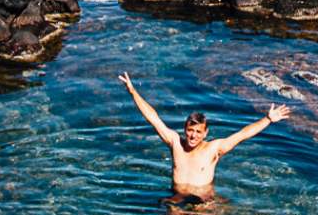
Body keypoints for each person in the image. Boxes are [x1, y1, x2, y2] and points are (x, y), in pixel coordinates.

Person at [118, 72, 291, 197]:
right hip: (175, 198)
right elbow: (153, 118)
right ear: (184, 129)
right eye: (190, 130)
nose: (193, 136)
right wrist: (133, 92)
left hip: (203, 202)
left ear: (205, 132)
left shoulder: (214, 148)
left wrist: (267, 119)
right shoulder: (175, 143)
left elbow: (242, 134)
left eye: (198, 132)